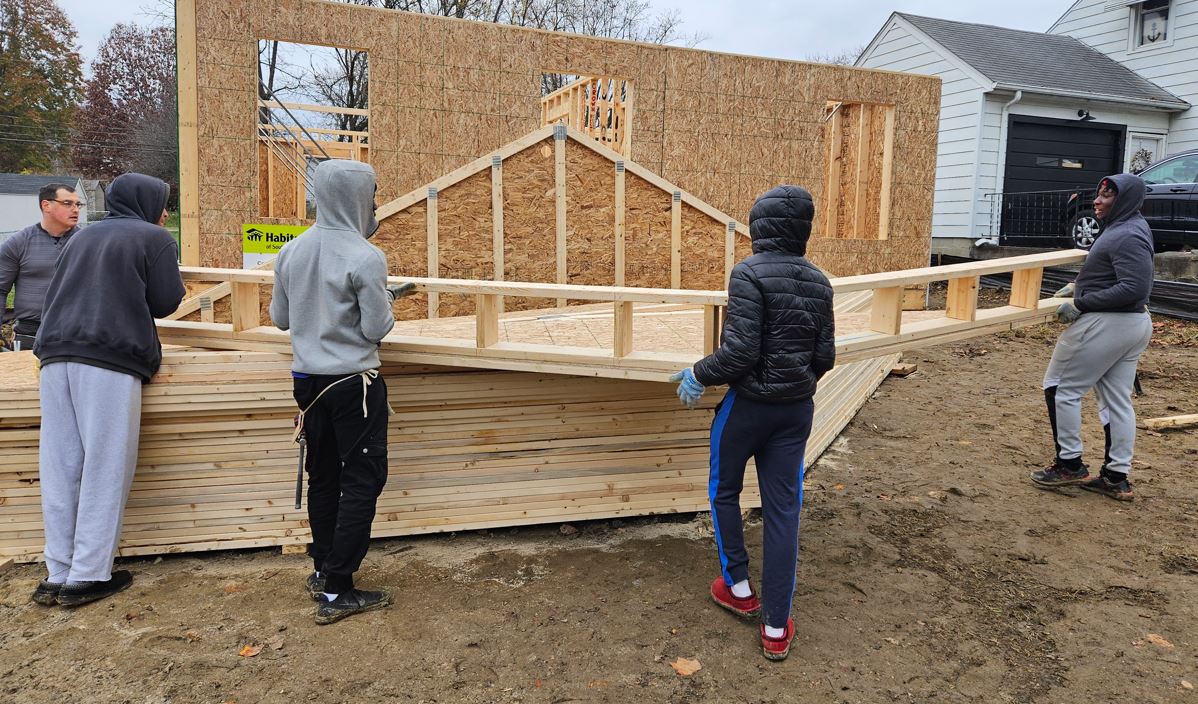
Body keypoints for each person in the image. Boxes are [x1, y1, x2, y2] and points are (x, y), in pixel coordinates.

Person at [669, 184, 835, 661]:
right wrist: (797, 385)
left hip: (748, 409)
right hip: (795, 410)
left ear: (758, 226)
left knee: (724, 489)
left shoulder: (747, 273)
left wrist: (698, 373)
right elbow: (825, 355)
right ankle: (777, 627)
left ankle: (739, 587)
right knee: (784, 511)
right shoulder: (820, 282)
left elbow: (740, 353)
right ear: (804, 229)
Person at [31, 173, 184, 606]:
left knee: (61, 465)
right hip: (107, 358)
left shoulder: (82, 237)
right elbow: (166, 301)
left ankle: (57, 572)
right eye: (162, 203)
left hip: (55, 353)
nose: (166, 212)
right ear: (146, 203)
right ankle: (88, 576)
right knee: (105, 463)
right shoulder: (152, 238)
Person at [270, 159, 411, 625]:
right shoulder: (364, 256)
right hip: (354, 385)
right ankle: (338, 589)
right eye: (371, 195)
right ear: (356, 197)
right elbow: (375, 329)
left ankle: (322, 571)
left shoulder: (291, 251)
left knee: (324, 478)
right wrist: (386, 300)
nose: (374, 205)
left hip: (308, 385)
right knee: (362, 481)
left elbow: (282, 319)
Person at [1030, 173, 1154, 501]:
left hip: (1108, 323)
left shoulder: (1126, 234)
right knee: (1116, 400)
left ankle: (1069, 464)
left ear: (1124, 200)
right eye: (1099, 194)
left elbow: (1134, 288)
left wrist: (1080, 302)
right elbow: (1118, 275)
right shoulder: (1126, 226)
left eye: (1107, 196)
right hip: (1129, 325)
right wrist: (1080, 284)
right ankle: (1115, 477)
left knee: (1060, 388)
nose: (1097, 201)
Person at [0, 183, 83, 350]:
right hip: (30, 335)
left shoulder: (87, 242)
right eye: (68, 203)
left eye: (78, 204)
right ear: (46, 205)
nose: (75, 209)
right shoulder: (19, 242)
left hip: (79, 333)